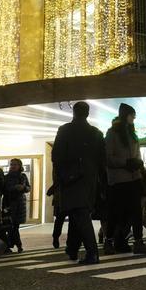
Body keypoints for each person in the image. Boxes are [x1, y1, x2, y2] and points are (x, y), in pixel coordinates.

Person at [52, 102, 107, 263]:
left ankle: (92, 252)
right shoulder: (96, 133)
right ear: (88, 113)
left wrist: (59, 177)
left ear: (74, 112)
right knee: (79, 213)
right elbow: (102, 160)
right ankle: (72, 248)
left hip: (70, 178)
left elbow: (56, 156)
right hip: (90, 180)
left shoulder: (65, 130)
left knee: (79, 214)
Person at [104, 103, 146, 255]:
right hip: (118, 180)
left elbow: (137, 153)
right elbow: (108, 158)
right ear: (126, 115)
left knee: (136, 213)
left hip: (134, 178)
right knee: (116, 213)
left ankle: (138, 242)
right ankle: (109, 241)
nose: (134, 119)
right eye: (132, 116)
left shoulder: (132, 134)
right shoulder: (112, 133)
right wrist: (126, 163)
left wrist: (138, 163)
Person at [2, 158, 31, 253]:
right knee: (9, 225)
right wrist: (14, 188)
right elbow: (3, 189)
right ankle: (17, 244)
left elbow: (28, 187)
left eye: (15, 164)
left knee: (15, 225)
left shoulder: (23, 176)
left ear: (19, 166)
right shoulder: (6, 177)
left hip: (19, 204)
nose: (13, 166)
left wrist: (24, 188)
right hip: (9, 203)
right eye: (11, 164)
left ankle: (13, 244)